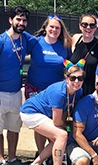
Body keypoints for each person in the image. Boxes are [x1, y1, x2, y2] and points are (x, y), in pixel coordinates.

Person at [20, 60, 85, 165]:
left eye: (80, 78)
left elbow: (64, 112)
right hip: (30, 112)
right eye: (73, 78)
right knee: (62, 135)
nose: (76, 81)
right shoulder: (59, 92)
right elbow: (57, 121)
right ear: (66, 78)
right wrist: (67, 127)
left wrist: (67, 126)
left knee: (59, 138)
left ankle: (36, 163)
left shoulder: (78, 91)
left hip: (43, 114)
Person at [25, 14, 72, 156]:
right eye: (51, 26)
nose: (54, 30)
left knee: (56, 125)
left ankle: (53, 154)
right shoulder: (35, 42)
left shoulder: (65, 45)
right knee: (39, 127)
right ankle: (41, 154)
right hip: (35, 89)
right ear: (46, 27)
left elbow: (72, 66)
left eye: (57, 28)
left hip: (56, 93)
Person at [0, 5, 36, 165]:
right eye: (18, 19)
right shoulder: (2, 41)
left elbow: (42, 40)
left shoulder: (25, 38)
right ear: (10, 20)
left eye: (24, 20)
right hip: (0, 91)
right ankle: (1, 158)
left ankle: (13, 157)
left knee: (14, 127)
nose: (21, 22)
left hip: (16, 92)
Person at [71, 14, 98, 96]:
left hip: (91, 91)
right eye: (85, 24)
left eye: (92, 25)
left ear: (96, 27)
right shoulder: (75, 39)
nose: (88, 27)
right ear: (80, 26)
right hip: (74, 89)